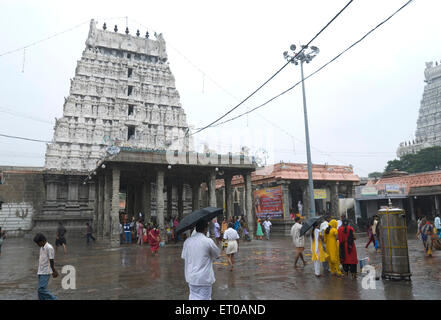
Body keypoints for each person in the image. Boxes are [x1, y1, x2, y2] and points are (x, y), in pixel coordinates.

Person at [181, 220, 220, 300]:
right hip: (204, 278)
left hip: (191, 277)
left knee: (193, 297)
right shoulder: (208, 241)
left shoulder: (187, 241)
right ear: (205, 229)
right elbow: (217, 255)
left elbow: (184, 257)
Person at [33, 233, 58, 300]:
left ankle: (54, 299)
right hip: (40, 271)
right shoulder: (42, 248)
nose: (37, 244)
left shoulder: (49, 248)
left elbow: (51, 260)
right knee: (39, 291)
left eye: (38, 243)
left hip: (46, 271)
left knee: (41, 289)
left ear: (42, 241)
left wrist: (53, 270)